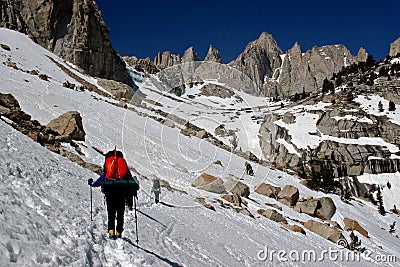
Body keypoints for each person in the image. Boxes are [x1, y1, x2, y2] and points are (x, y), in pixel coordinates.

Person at [88, 149, 139, 239]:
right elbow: (131, 182)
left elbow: (100, 180)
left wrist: (92, 183)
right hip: (122, 192)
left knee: (111, 212)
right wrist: (133, 192)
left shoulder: (108, 167)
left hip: (110, 191)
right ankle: (119, 231)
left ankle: (111, 231)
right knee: (120, 212)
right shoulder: (124, 169)